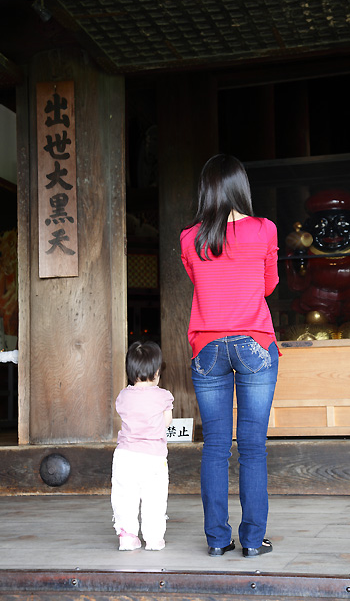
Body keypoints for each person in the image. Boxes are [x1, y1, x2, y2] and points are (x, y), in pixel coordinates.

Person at [180, 154, 279, 558]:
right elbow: (268, 285)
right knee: (252, 448)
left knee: (216, 447)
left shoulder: (190, 238)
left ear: (206, 189)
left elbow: (200, 282)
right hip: (254, 341)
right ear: (241, 187)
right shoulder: (264, 229)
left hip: (207, 347)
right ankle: (253, 541)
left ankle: (218, 540)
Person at [111, 340, 174, 551]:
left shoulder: (123, 396)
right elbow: (166, 422)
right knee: (154, 498)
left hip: (125, 456)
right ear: (156, 372)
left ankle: (127, 538)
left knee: (125, 497)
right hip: (153, 457)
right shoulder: (163, 396)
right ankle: (154, 539)